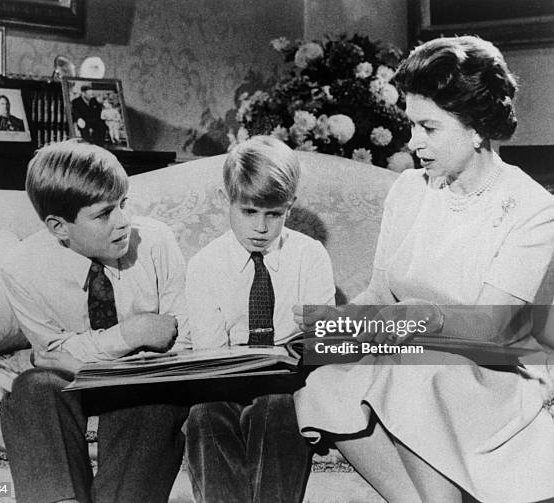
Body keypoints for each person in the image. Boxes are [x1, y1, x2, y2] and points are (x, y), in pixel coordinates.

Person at [293, 36, 554, 503]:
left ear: (475, 127)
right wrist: (325, 327)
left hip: (493, 375)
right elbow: (378, 294)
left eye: (428, 128)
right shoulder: (410, 190)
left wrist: (415, 316)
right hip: (410, 358)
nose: (413, 143)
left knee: (408, 371)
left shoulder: (533, 207)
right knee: (321, 387)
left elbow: (497, 330)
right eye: (411, 125)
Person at [0, 140, 189, 503]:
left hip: (146, 379)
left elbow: (183, 337)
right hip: (71, 381)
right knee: (33, 388)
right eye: (104, 214)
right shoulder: (21, 269)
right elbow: (52, 354)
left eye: (122, 204)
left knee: (156, 397)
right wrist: (131, 334)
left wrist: (84, 355)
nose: (122, 222)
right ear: (59, 227)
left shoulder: (156, 242)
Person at [184, 135, 336, 503]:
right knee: (204, 414)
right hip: (226, 384)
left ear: (290, 207)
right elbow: (209, 353)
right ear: (227, 201)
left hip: (286, 387)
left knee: (276, 407)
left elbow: (325, 344)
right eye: (249, 212)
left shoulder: (309, 256)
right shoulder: (205, 264)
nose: (261, 228)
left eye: (274, 214)